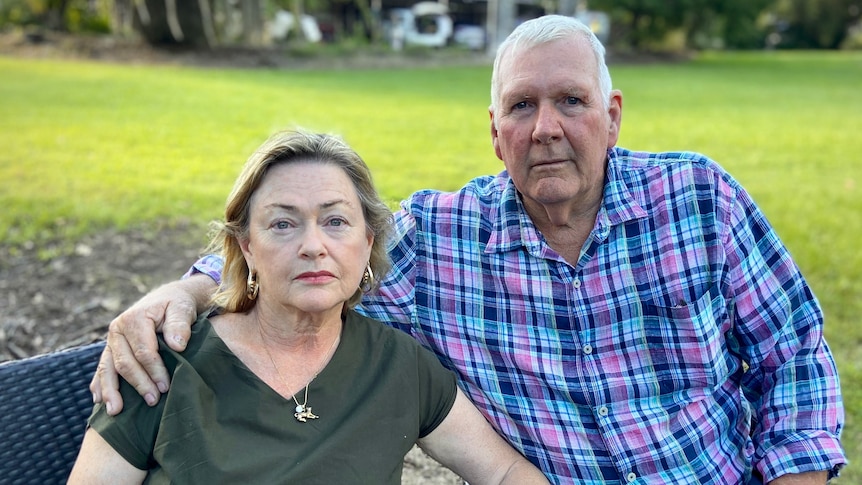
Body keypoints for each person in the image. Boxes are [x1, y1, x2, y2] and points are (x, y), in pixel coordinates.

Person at [90, 15, 846, 484]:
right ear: (495, 132)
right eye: (522, 106)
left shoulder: (698, 199)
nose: (546, 127)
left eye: (571, 102)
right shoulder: (441, 238)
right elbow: (311, 252)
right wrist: (185, 292)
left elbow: (793, 351)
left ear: (612, 116)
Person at [68, 130, 550, 484]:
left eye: (336, 221)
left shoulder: (400, 366)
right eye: (283, 224)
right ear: (247, 247)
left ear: (368, 241)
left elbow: (504, 472)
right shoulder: (165, 360)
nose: (313, 245)